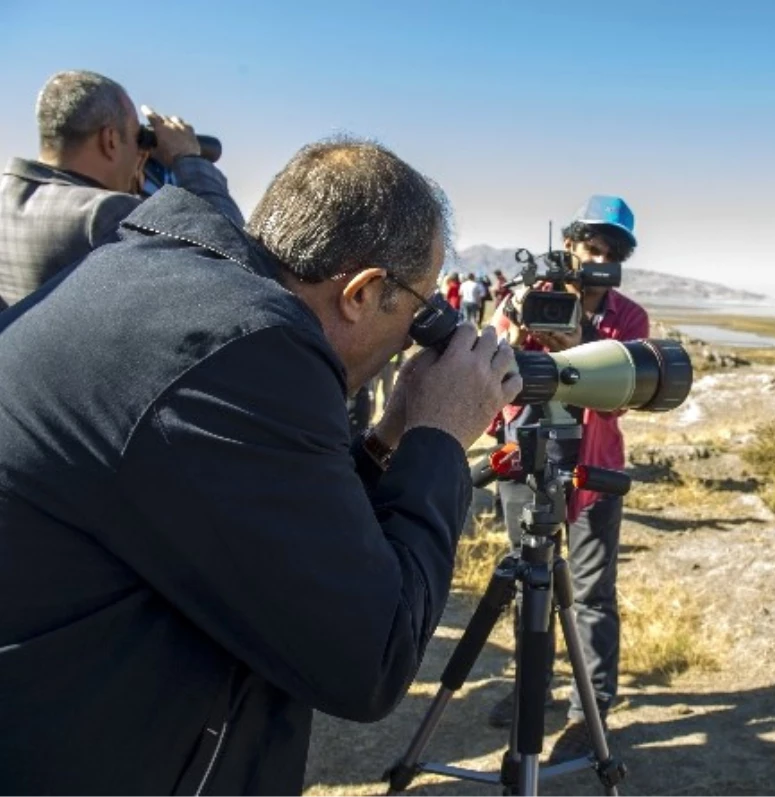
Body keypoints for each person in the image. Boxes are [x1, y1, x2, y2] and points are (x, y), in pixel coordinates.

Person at [0, 138, 521, 796]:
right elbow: (370, 657)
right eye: (421, 314)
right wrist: (441, 437)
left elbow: (287, 534)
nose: (416, 340)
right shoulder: (250, 350)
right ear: (362, 292)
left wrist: (389, 437)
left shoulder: (180, 289)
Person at [487, 195, 649, 762]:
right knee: (528, 577)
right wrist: (511, 313)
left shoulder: (627, 318)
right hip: (525, 455)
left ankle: (590, 710)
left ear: (620, 258)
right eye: (589, 246)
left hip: (593, 467)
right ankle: (530, 688)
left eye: (609, 252)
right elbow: (491, 364)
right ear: (570, 246)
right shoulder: (534, 298)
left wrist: (579, 351)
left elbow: (623, 400)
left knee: (590, 594)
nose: (596, 259)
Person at [0, 70, 242, 306]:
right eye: (138, 138)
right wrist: (188, 157)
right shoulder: (107, 212)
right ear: (111, 140)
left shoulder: (6, 197)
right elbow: (235, 264)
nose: (141, 153)